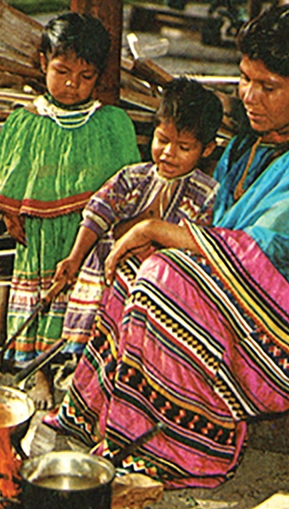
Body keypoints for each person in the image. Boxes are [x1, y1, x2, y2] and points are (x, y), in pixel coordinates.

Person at [44, 5, 289, 488]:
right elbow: (215, 233)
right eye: (244, 79)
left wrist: (153, 231)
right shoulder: (251, 144)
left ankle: (180, 448)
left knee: (162, 277)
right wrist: (150, 242)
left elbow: (262, 255)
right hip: (244, 300)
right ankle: (111, 423)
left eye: (266, 86)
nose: (248, 97)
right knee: (129, 268)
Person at [0, 12, 142, 367]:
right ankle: (37, 371)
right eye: (62, 72)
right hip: (40, 238)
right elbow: (10, 175)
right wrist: (9, 213)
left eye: (86, 76)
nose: (72, 84)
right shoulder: (26, 122)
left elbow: (129, 185)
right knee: (40, 299)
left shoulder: (112, 124)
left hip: (92, 238)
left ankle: (79, 371)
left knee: (85, 306)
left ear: (99, 75)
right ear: (43, 63)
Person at [53, 78, 223, 359]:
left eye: (183, 147)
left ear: (206, 150)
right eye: (162, 140)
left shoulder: (206, 194)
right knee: (91, 347)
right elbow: (97, 214)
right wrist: (74, 258)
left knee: (131, 350)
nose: (168, 153)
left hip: (153, 290)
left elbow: (197, 247)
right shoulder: (132, 177)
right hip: (103, 278)